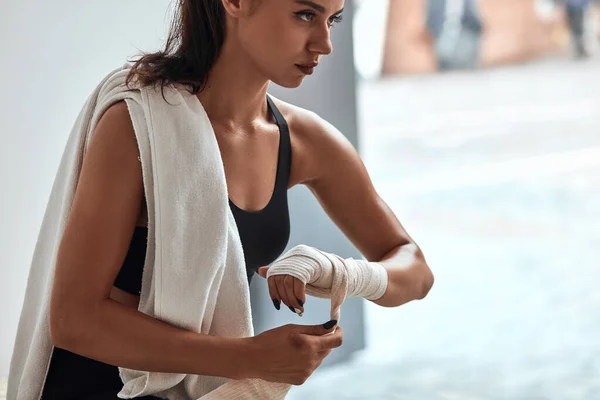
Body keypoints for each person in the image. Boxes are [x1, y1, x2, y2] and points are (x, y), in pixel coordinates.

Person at [30, 0, 434, 398]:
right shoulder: (137, 125)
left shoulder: (306, 141)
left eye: (333, 19)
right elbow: (73, 318)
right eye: (305, 15)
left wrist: (333, 271)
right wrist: (247, 359)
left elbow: (414, 268)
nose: (324, 43)